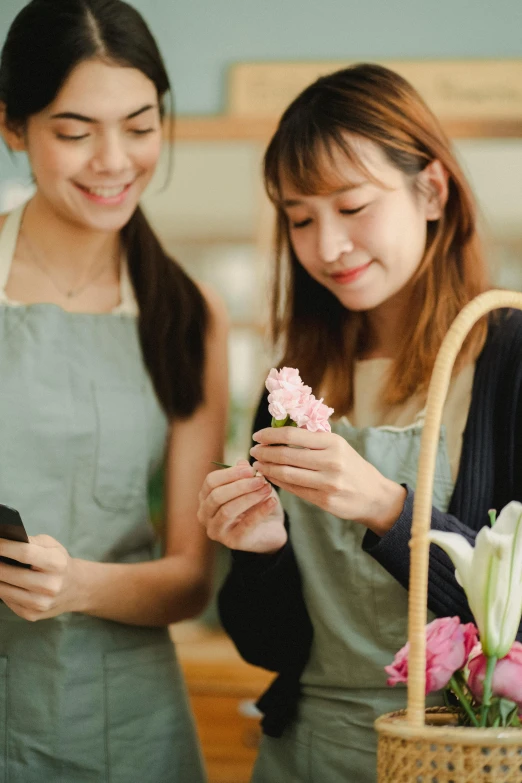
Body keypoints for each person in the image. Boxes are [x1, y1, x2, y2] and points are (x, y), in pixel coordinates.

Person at [197, 63, 522, 783]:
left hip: (457, 752)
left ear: (432, 190)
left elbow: (515, 622)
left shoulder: (508, 358)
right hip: (305, 749)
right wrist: (260, 552)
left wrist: (387, 508)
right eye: (301, 217)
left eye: (353, 205)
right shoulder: (294, 379)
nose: (328, 246)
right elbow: (269, 642)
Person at [0, 1, 228, 781]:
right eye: (74, 131)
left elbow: (191, 578)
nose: (114, 160)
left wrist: (76, 586)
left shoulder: (190, 314)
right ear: (13, 127)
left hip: (128, 720)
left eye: (139, 125)